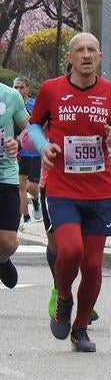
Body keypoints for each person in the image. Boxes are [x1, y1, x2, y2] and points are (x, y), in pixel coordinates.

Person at [26, 33, 111, 353]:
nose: (86, 55)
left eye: (91, 51)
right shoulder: (51, 90)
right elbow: (33, 126)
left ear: (99, 58)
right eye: (79, 50)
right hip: (62, 188)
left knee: (94, 265)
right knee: (70, 252)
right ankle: (64, 296)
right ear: (70, 58)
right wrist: (44, 147)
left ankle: (80, 328)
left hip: (100, 190)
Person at [0, 78, 31, 289]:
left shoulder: (10, 95)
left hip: (5, 175)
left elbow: (30, 131)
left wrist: (18, 142)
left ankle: (2, 259)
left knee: (8, 243)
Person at [12, 77, 41, 225]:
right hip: (19, 152)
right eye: (15, 87)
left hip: (34, 151)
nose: (18, 90)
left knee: (32, 187)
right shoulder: (9, 104)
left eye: (21, 87)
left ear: (27, 89)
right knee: (21, 185)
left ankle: (36, 201)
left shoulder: (34, 104)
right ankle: (25, 217)